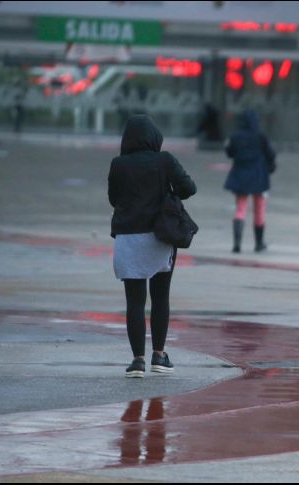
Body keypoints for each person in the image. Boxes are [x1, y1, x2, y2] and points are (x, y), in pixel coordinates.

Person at [107, 115, 197, 377]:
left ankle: (137, 360)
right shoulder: (164, 160)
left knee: (134, 302)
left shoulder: (118, 164)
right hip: (159, 237)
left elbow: (114, 199)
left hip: (128, 239)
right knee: (160, 298)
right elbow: (188, 187)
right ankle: (159, 355)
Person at [223, 109, 276, 253]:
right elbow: (270, 153)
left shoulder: (235, 136)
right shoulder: (260, 136)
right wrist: (271, 167)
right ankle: (259, 244)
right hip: (259, 175)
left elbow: (230, 153)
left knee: (240, 208)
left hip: (241, 174)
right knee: (259, 209)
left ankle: (237, 244)